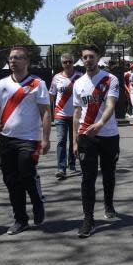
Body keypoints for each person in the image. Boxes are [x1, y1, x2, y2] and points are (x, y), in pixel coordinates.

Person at [0, 47, 51, 235]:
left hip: (29, 139)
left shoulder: (38, 84)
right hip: (6, 139)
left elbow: (45, 112)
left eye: (18, 58)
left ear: (27, 61)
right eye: (11, 58)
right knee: (11, 181)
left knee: (26, 174)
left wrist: (46, 138)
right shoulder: (2, 84)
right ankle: (20, 219)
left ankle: (37, 201)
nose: (13, 61)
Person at [72, 44, 120, 238]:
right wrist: (75, 140)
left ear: (98, 57)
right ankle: (88, 219)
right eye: (85, 57)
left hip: (108, 134)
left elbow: (111, 104)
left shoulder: (110, 79)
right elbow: (76, 113)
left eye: (91, 56)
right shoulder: (78, 83)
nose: (88, 60)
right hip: (86, 136)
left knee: (108, 173)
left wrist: (100, 123)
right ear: (82, 59)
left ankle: (108, 204)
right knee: (87, 178)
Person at [49, 53, 83, 180]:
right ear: (62, 64)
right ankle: (61, 168)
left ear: (73, 62)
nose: (67, 64)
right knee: (61, 140)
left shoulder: (80, 77)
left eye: (69, 61)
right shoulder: (56, 78)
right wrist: (46, 112)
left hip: (76, 115)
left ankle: (72, 163)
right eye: (65, 62)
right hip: (60, 115)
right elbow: (51, 95)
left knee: (74, 140)